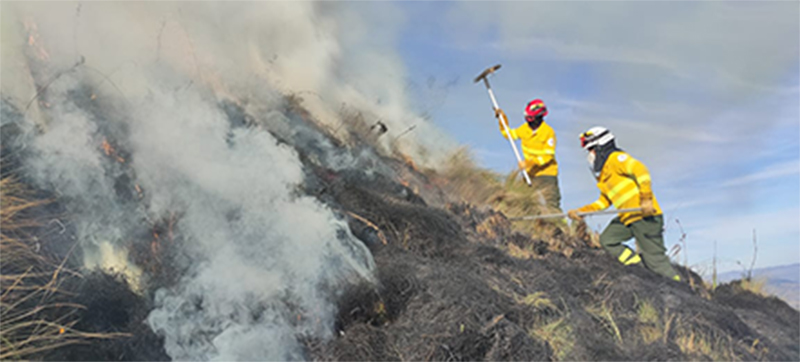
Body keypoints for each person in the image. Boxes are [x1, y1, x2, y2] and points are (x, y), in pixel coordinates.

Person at [568, 126, 680, 281]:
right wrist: (581, 212)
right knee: (608, 240)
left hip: (645, 216)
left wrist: (646, 198)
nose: (590, 155)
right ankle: (637, 266)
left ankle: (681, 287)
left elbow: (640, 170)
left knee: (656, 262)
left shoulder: (616, 158)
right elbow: (603, 202)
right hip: (627, 218)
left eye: (591, 150)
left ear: (600, 147)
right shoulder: (605, 176)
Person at [496, 99, 562, 212]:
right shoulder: (524, 129)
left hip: (547, 174)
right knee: (520, 198)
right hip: (530, 173)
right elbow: (509, 135)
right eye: (527, 118)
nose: (528, 121)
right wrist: (502, 119)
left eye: (531, 118)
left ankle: (559, 222)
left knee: (552, 204)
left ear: (540, 117)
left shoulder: (548, 132)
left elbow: (548, 156)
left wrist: (529, 163)